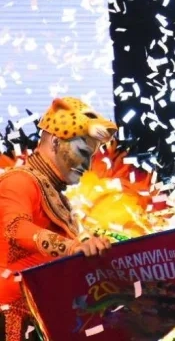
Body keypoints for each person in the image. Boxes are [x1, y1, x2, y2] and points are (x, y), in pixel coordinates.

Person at [0, 97, 116, 341]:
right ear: (55, 141)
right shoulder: (19, 180)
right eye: (83, 153)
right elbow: (15, 227)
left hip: (41, 320)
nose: (87, 165)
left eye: (92, 156)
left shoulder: (56, 196)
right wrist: (75, 247)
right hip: (12, 320)